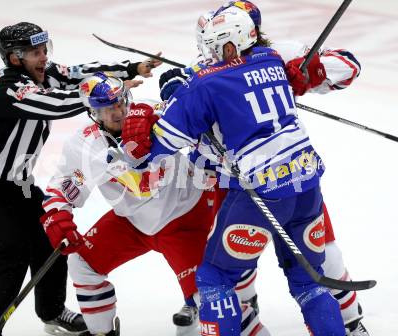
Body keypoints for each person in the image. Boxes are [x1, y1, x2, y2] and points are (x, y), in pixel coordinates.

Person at [122, 6, 348, 336]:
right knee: (309, 284)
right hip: (307, 185)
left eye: (212, 48)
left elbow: (151, 152)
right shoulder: (273, 60)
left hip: (262, 193)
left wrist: (145, 119)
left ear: (229, 46)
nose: (207, 55)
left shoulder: (203, 84)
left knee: (214, 279)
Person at [0, 21, 160, 336]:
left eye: (44, 50)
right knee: (9, 253)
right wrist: (102, 98)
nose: (43, 58)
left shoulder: (46, 72)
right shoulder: (9, 86)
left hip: (19, 184)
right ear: (15, 59)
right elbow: (54, 104)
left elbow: (82, 72)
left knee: (51, 238)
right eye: (35, 53)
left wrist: (130, 67)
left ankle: (51, 311)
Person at [40, 72, 232, 336]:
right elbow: (63, 185)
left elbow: (206, 127)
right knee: (82, 265)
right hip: (131, 222)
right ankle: (101, 333)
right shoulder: (84, 144)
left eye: (120, 102)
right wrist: (58, 216)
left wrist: (179, 93)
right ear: (93, 113)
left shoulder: (151, 112)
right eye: (108, 108)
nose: (118, 111)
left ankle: (237, 307)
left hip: (183, 219)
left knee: (210, 294)